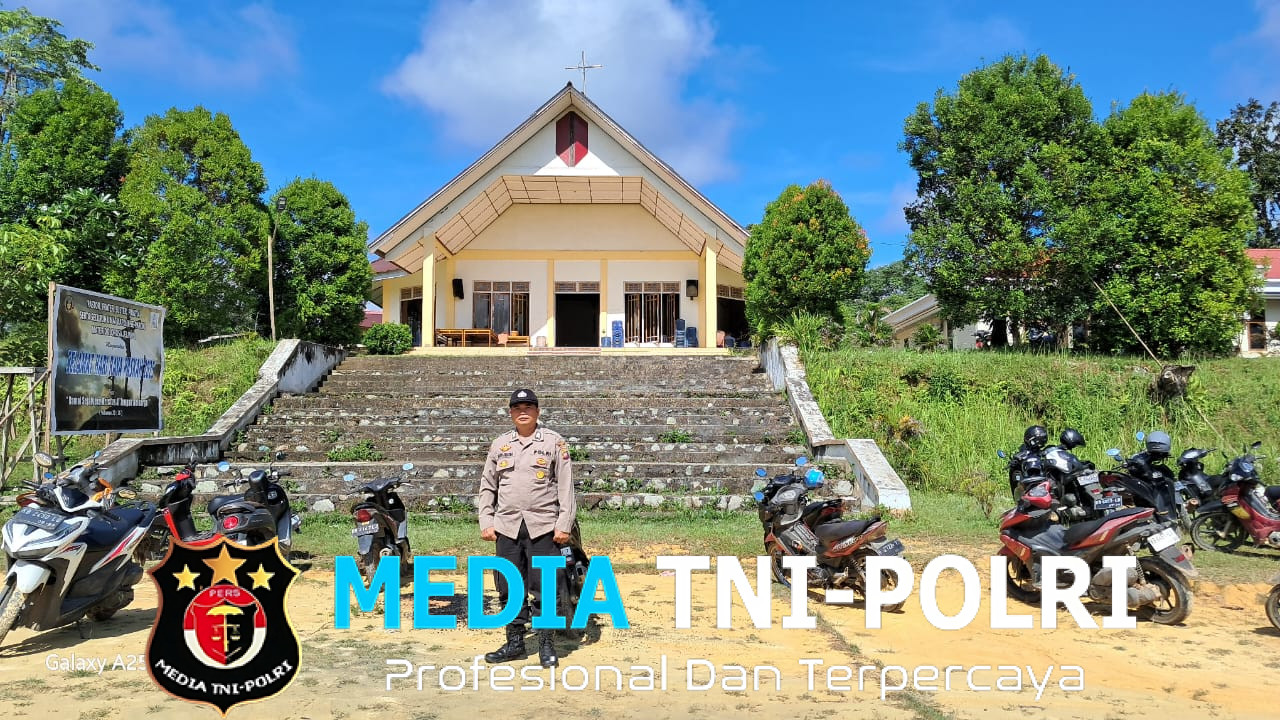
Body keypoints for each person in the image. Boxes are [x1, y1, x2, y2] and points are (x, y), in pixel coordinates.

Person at [478, 388, 576, 667]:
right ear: (510, 412)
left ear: (538, 411)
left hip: (544, 526)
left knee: (545, 587)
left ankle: (546, 643)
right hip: (506, 527)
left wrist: (564, 523)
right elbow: (488, 485)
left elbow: (566, 486)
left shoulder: (554, 442)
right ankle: (515, 643)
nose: (523, 411)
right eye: (517, 407)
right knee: (509, 587)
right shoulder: (500, 445)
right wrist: (486, 520)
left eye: (529, 406)